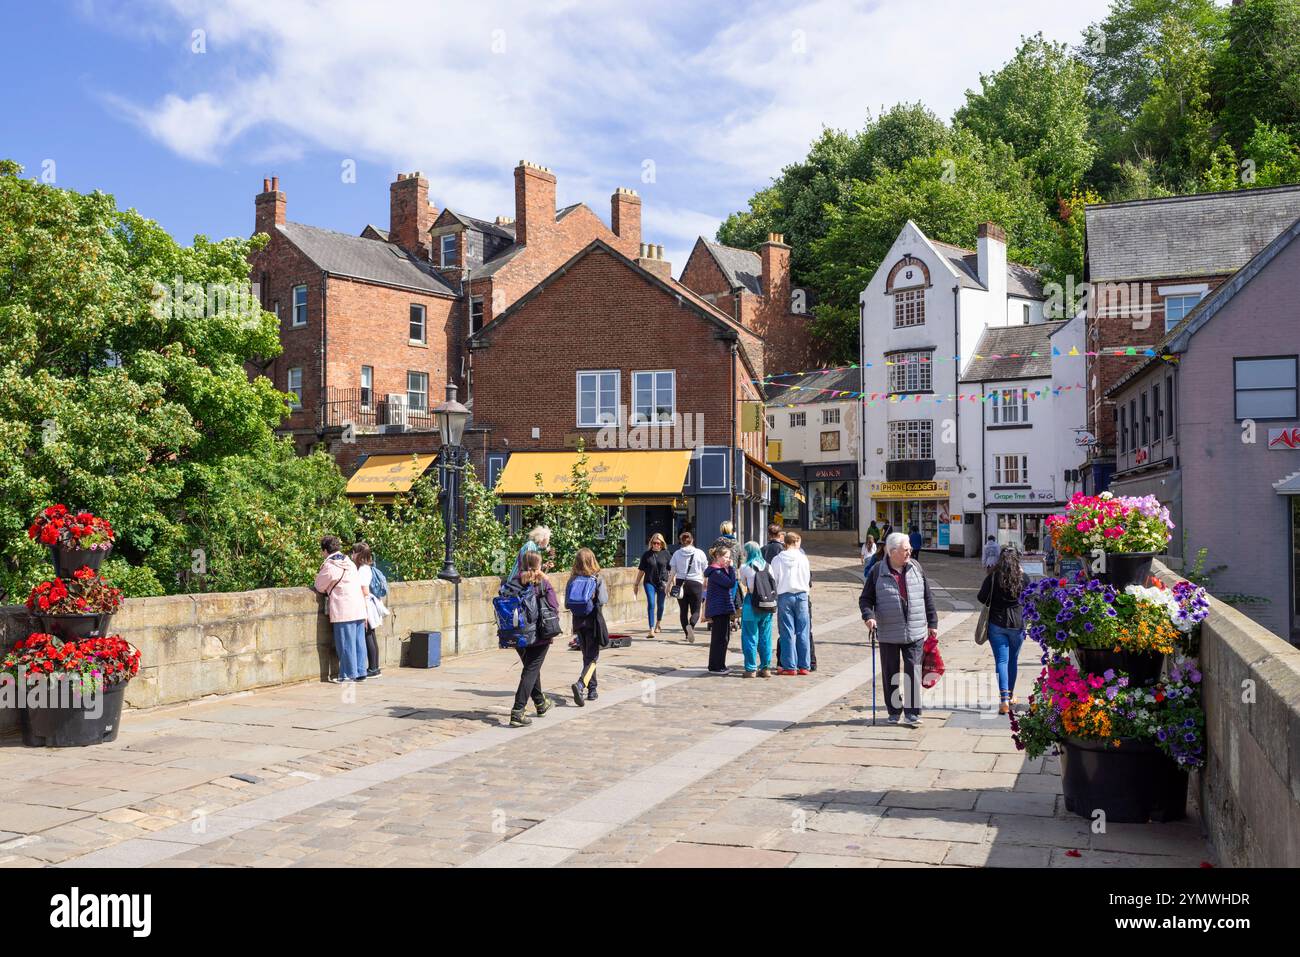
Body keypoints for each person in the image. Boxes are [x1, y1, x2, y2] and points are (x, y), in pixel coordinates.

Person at [859, 532, 938, 728]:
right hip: (888, 632)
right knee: (890, 673)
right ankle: (894, 711)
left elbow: (927, 596)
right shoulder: (878, 571)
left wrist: (932, 623)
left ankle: (912, 713)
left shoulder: (916, 568)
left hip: (915, 629)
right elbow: (865, 599)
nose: (910, 551)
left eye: (910, 548)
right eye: (906, 549)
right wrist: (869, 617)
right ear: (893, 552)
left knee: (913, 671)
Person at [508, 551, 559, 727]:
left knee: (531, 667)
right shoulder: (542, 583)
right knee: (530, 670)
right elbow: (554, 605)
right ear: (538, 565)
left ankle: (540, 703)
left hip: (518, 634)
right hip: (539, 635)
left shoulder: (513, 582)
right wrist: (547, 579)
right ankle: (517, 711)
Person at [978, 546, 1027, 715]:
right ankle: (1011, 695)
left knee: (1001, 660)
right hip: (1017, 624)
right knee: (1013, 660)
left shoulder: (992, 576)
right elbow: (1031, 598)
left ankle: (1004, 700)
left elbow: (981, 597)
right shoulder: (1023, 577)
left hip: (996, 624)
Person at [313, 535, 368, 683]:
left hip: (343, 607)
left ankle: (348, 674)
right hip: (358, 606)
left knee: (345, 643)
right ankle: (361, 671)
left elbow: (319, 586)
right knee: (358, 641)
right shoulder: (348, 562)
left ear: (325, 550)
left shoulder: (331, 566)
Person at [568, 548, 610, 706]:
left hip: (578, 622)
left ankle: (592, 689)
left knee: (587, 656)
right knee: (592, 658)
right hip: (593, 621)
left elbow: (567, 603)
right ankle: (580, 685)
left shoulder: (572, 579)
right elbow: (603, 599)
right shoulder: (597, 578)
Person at [770, 530, 812, 675]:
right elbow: (807, 577)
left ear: (785, 543)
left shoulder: (777, 559)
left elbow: (774, 579)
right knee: (803, 631)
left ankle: (789, 665)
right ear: (795, 542)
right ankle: (804, 665)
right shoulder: (803, 558)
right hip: (801, 595)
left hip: (784, 595)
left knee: (787, 631)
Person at [736, 541, 775, 678]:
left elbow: (744, 583)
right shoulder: (768, 566)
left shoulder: (745, 567)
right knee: (766, 637)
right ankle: (765, 667)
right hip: (767, 605)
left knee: (750, 636)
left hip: (751, 603)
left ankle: (751, 668)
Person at [350, 542, 389, 679]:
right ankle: (374, 667)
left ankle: (373, 668)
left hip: (366, 605)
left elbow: (364, 590)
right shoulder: (367, 568)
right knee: (370, 635)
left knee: (368, 635)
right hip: (368, 604)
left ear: (358, 554)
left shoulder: (363, 570)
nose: (351, 555)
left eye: (353, 552)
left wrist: (364, 612)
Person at [666, 531, 708, 643]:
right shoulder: (700, 553)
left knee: (683, 610)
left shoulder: (676, 553)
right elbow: (706, 570)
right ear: (692, 540)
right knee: (696, 610)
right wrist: (706, 581)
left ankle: (686, 634)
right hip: (696, 583)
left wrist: (668, 584)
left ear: (681, 541)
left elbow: (673, 571)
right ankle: (692, 625)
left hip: (681, 583)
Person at [702, 544, 737, 674]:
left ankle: (720, 664)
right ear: (718, 556)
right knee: (720, 638)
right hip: (719, 608)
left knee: (724, 637)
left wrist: (729, 569)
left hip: (722, 607)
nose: (728, 560)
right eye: (726, 557)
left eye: (729, 557)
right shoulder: (716, 572)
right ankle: (716, 666)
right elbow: (730, 583)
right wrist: (732, 568)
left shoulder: (720, 570)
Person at [634, 533, 671, 639]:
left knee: (661, 605)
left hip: (662, 583)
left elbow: (671, 569)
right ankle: (651, 628)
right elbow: (641, 570)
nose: (656, 545)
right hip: (649, 582)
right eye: (654, 543)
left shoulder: (666, 554)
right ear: (651, 543)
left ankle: (658, 623)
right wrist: (636, 583)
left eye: (658, 543)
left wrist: (672, 582)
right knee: (651, 603)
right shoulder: (646, 555)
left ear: (662, 544)